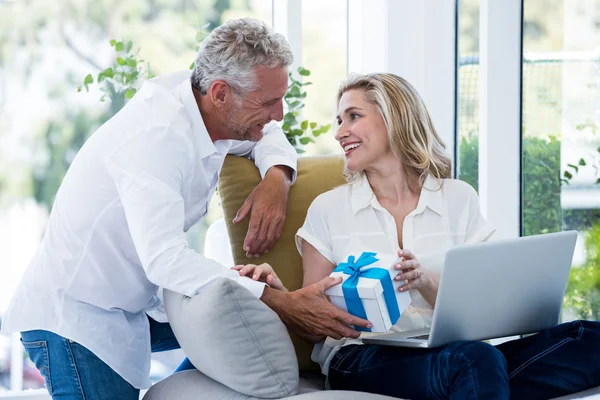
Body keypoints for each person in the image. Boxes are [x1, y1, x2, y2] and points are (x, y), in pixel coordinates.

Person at [1, 18, 371, 400]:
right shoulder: (156, 139)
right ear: (221, 93)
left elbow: (270, 134)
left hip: (133, 307)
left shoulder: (209, 109)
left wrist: (277, 178)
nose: (278, 114)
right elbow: (164, 259)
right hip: (77, 318)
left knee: (236, 326)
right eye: (268, 102)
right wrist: (283, 302)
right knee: (252, 310)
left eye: (281, 99)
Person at [241, 73, 600, 400]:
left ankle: (474, 386)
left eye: (353, 116)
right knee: (474, 361)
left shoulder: (458, 197)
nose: (339, 132)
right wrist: (282, 295)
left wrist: (425, 281)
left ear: (393, 117)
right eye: (339, 121)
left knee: (589, 338)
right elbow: (315, 329)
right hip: (361, 356)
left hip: (450, 349)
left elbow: (485, 302)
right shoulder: (329, 208)